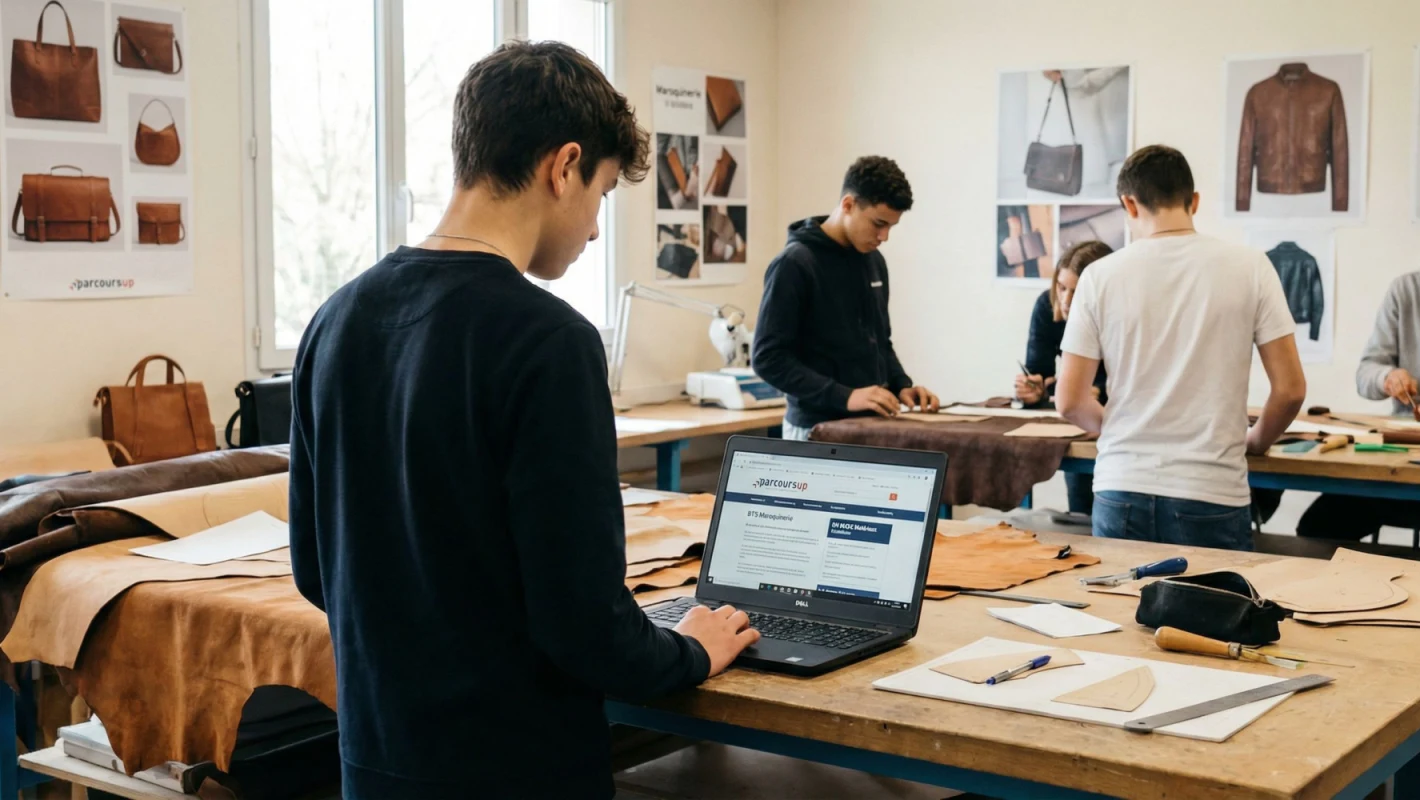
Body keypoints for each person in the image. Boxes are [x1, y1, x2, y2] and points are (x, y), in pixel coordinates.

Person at [288, 42, 758, 798]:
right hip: (515, 767)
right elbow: (584, 626)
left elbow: (317, 569)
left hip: (377, 756)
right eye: (602, 193)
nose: (596, 229)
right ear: (563, 166)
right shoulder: (551, 342)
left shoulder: (334, 320)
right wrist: (690, 650)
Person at [1056, 145, 1306, 550]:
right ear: (1194, 201)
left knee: (1121, 612)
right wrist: (1257, 440)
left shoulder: (1099, 277)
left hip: (1122, 487)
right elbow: (1291, 389)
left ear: (1129, 204)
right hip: (1211, 489)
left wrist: (1127, 429)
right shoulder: (1250, 266)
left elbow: (1069, 401)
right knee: (1212, 613)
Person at [1296, 189, 1420, 549]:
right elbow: (1365, 372)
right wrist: (1386, 378)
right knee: (1318, 527)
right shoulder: (1405, 290)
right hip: (1406, 452)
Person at [752, 156, 940, 440]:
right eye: (878, 223)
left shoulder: (874, 261)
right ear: (848, 205)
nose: (885, 236)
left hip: (872, 426)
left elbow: (880, 341)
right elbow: (768, 358)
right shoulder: (795, 264)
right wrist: (845, 396)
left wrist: (902, 385)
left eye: (891, 226)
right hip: (815, 430)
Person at [1017, 240, 1112, 514]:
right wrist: (1033, 389)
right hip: (1079, 421)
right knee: (1081, 509)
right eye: (1061, 287)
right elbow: (1039, 372)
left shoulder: (1122, 311)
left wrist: (1097, 390)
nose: (1067, 300)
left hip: (1119, 418)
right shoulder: (1047, 307)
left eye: (1077, 290)